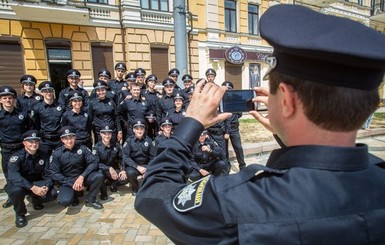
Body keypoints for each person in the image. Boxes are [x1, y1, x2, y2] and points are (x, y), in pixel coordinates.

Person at [134, 4, 385, 243]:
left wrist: (192, 121)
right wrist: (289, 130)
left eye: (274, 92)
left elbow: (152, 195)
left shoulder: (237, 200)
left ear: (286, 100)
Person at [7, 130, 57, 228]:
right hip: (21, 184)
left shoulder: (43, 156)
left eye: (36, 142)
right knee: (15, 191)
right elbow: (14, 176)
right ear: (24, 142)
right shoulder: (16, 157)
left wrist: (46, 186)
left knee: (52, 194)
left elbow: (49, 174)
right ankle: (20, 214)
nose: (34, 144)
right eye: (30, 142)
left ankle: (35, 199)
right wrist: (32, 187)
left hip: (36, 182)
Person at [50, 126, 104, 209]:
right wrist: (71, 183)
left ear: (75, 137)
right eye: (66, 138)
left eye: (71, 137)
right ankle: (74, 195)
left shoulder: (82, 148)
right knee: (65, 201)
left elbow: (94, 162)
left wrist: (82, 176)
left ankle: (91, 200)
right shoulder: (57, 154)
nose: (69, 140)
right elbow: (55, 173)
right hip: (67, 181)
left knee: (99, 176)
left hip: (82, 177)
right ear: (62, 140)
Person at [0, 86, 31, 209]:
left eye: (10, 98)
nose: (8, 100)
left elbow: (29, 129)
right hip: (7, 149)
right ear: (1, 100)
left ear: (14, 99)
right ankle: (12, 196)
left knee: (26, 171)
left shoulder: (22, 114)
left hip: (21, 148)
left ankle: (31, 195)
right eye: (5, 98)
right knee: (9, 175)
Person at [93, 124, 128, 200]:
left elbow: (122, 158)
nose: (107, 136)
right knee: (99, 176)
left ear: (111, 134)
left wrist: (123, 170)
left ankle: (113, 184)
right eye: (104, 134)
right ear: (101, 134)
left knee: (125, 178)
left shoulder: (116, 145)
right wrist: (109, 168)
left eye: (109, 133)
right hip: (102, 170)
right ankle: (103, 192)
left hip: (113, 170)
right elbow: (95, 163)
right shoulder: (97, 147)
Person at [122, 119, 154, 196]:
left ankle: (146, 187)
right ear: (133, 129)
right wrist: (137, 167)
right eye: (137, 129)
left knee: (154, 172)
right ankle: (135, 188)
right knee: (130, 172)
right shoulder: (129, 141)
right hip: (134, 165)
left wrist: (148, 169)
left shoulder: (149, 141)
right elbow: (125, 156)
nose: (139, 131)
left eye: (141, 129)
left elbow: (153, 157)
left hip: (146, 165)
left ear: (144, 129)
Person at [31, 81, 64, 155]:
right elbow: (35, 124)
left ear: (53, 92)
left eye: (50, 91)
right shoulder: (37, 107)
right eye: (45, 91)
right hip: (45, 140)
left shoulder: (60, 106)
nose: (48, 93)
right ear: (41, 93)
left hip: (59, 139)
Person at [222, 81, 247, 170]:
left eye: (229, 89)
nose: (227, 90)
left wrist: (233, 119)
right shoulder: (220, 99)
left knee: (238, 147)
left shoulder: (236, 100)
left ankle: (242, 165)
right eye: (225, 88)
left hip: (234, 128)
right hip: (223, 128)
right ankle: (226, 166)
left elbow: (239, 113)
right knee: (224, 149)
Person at [88, 80, 122, 144]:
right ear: (96, 92)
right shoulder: (92, 103)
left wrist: (119, 131)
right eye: (98, 91)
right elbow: (90, 119)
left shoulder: (111, 102)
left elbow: (116, 116)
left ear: (106, 90)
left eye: (103, 90)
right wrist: (89, 133)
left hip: (112, 131)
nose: (101, 92)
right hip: (99, 133)